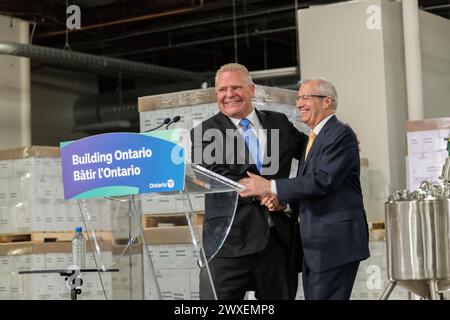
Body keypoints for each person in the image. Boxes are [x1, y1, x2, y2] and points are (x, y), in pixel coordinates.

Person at [240, 78, 370, 300]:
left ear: (327, 102)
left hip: (333, 246)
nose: (299, 104)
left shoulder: (340, 134)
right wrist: (285, 202)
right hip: (314, 246)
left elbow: (323, 180)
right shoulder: (313, 139)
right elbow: (311, 188)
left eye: (305, 98)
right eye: (298, 98)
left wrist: (271, 186)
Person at [190, 63, 307, 300]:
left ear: (251, 90)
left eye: (236, 87)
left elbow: (310, 150)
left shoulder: (279, 122)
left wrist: (335, 136)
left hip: (277, 244)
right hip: (227, 246)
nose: (229, 94)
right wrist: (267, 192)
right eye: (222, 89)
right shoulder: (205, 132)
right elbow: (216, 174)